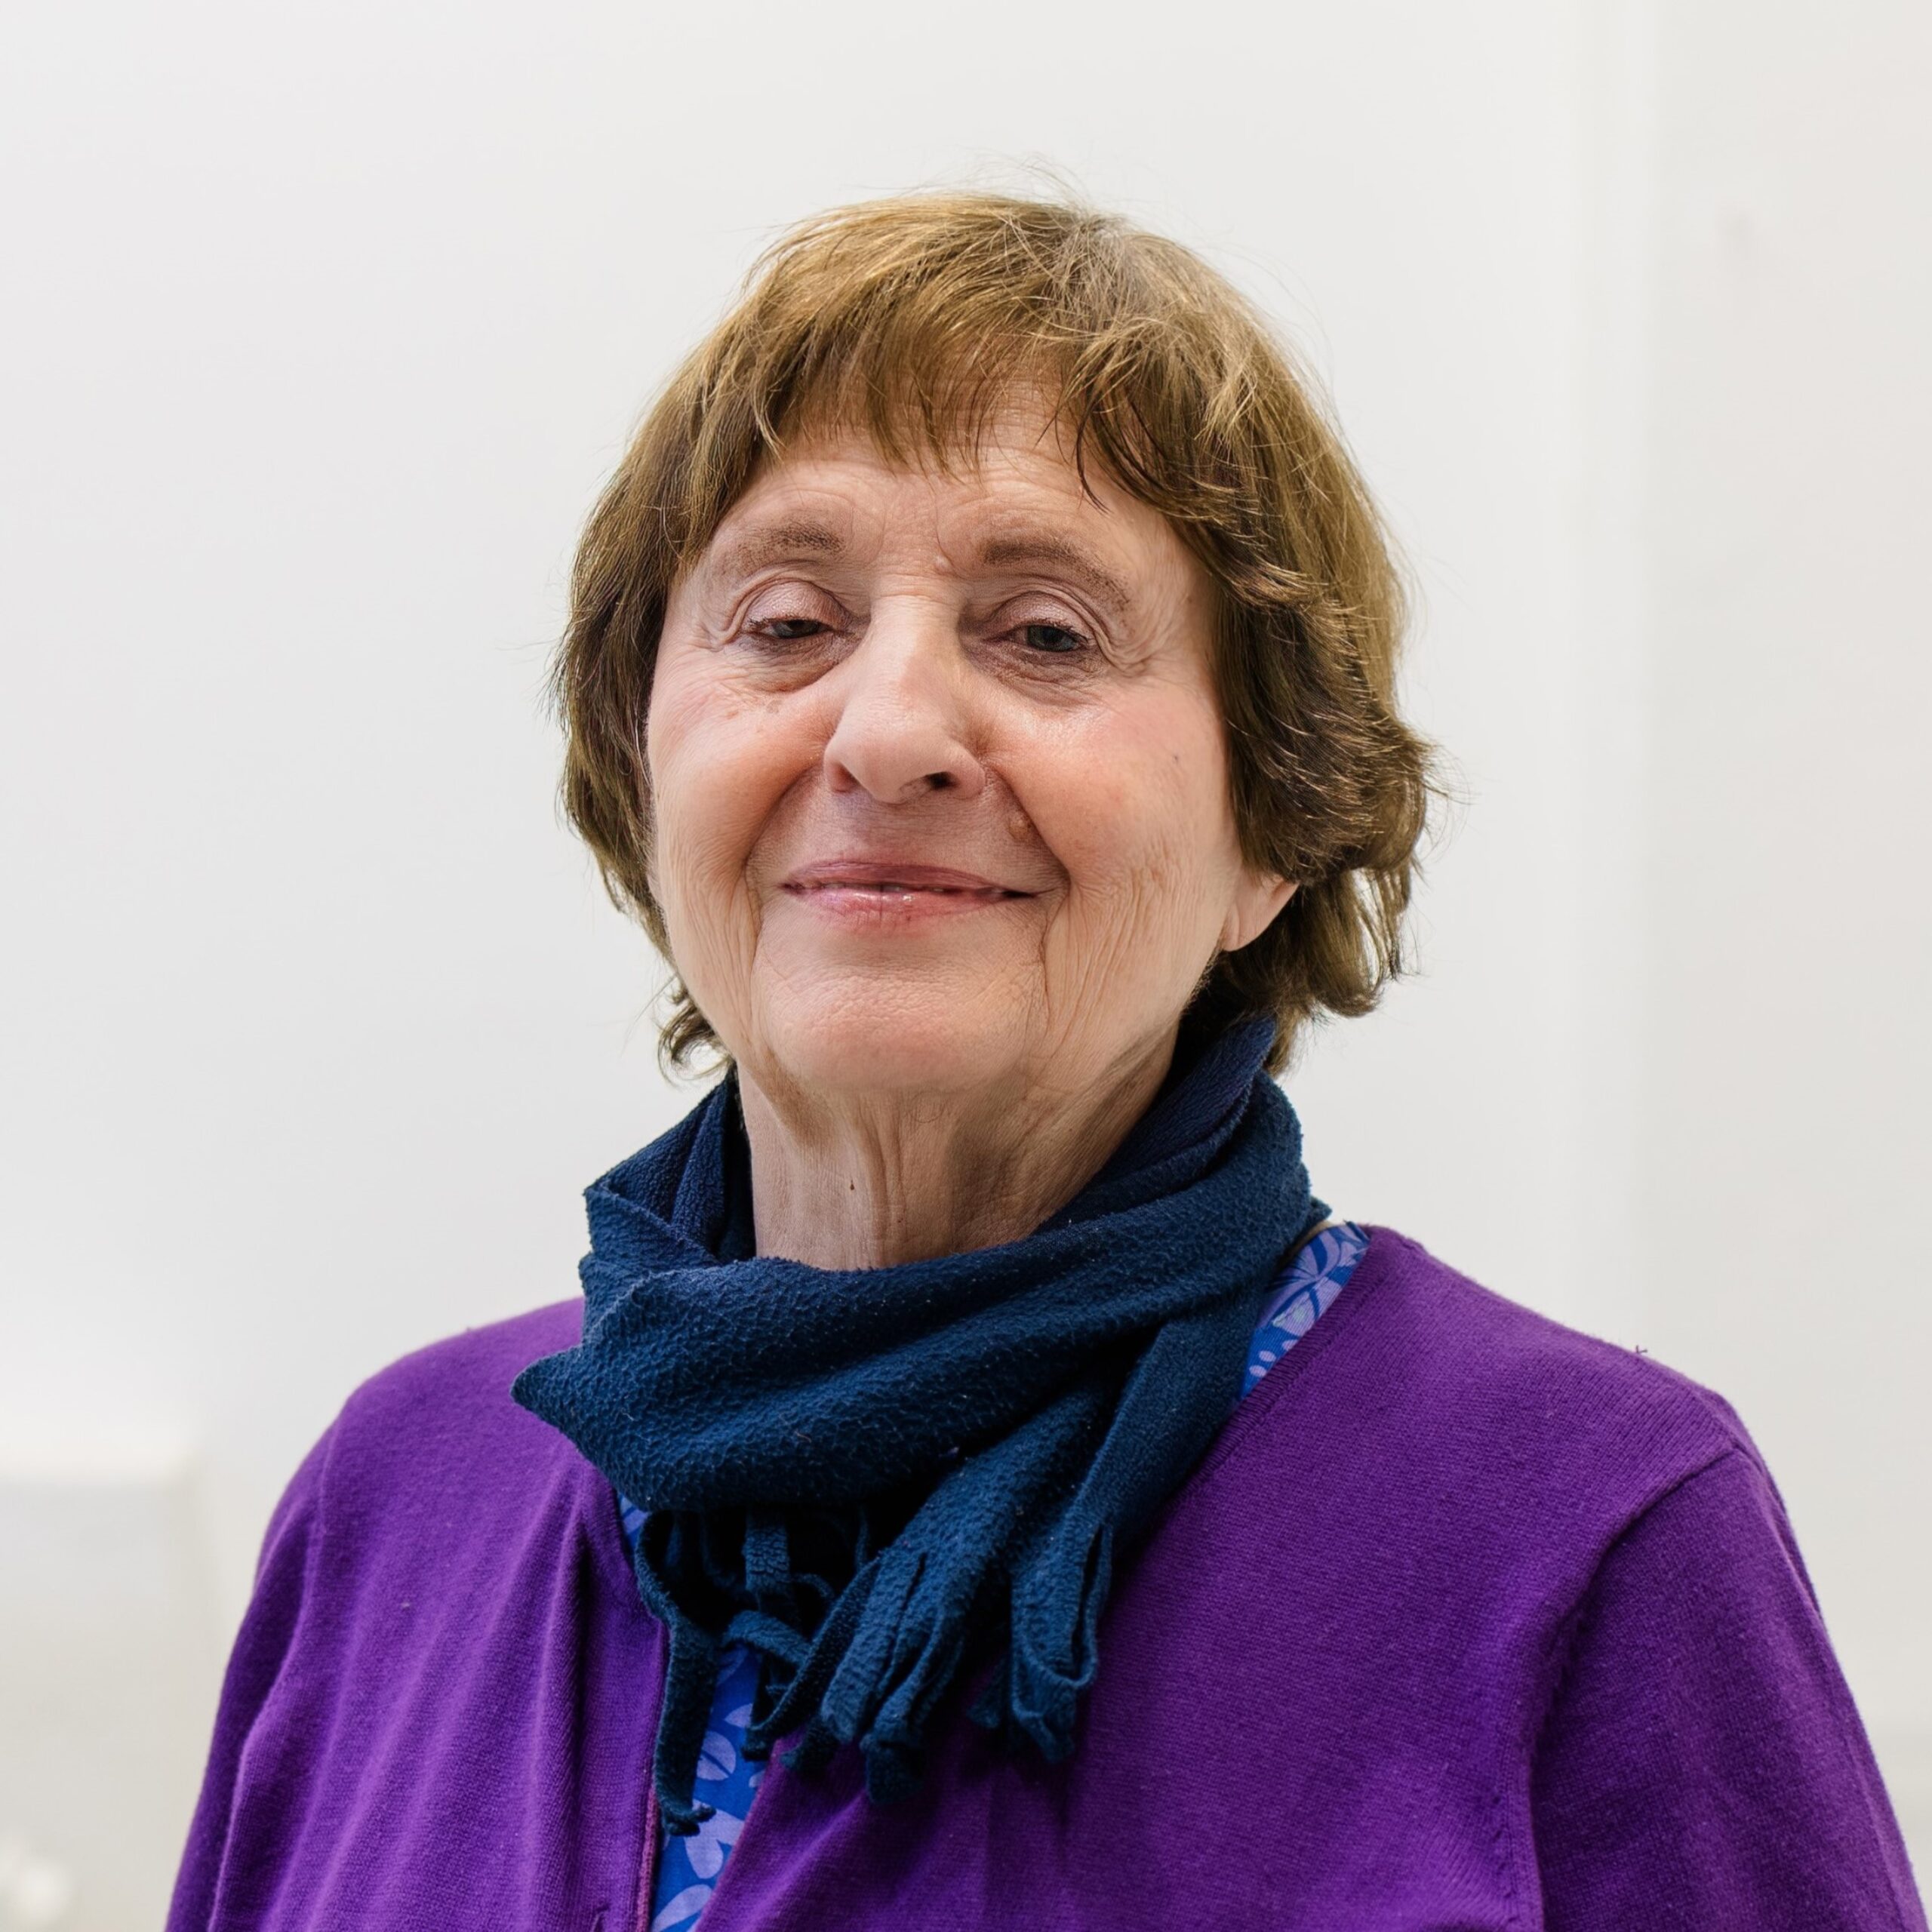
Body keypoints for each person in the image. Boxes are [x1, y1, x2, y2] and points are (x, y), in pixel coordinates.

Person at [167, 191, 1926, 1932]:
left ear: (1272, 824)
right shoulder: (399, 1492)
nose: (887, 732)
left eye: (1044, 634)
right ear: (643, 769)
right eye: (785, 621)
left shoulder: (1584, 1525)